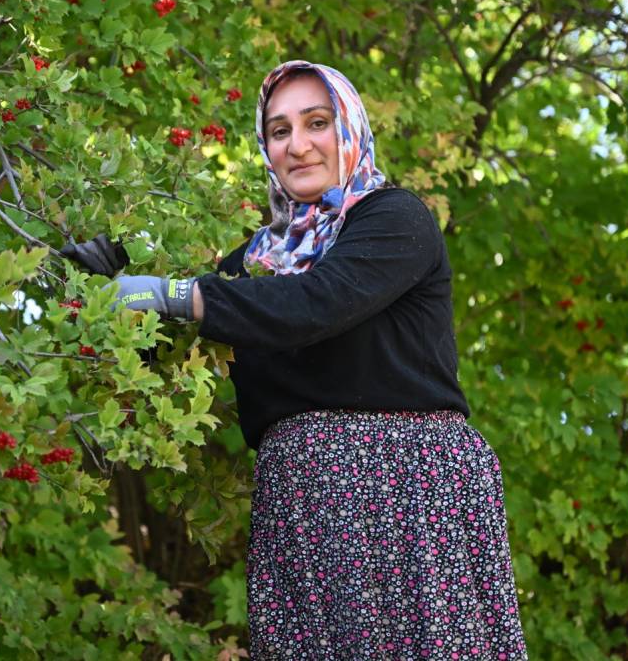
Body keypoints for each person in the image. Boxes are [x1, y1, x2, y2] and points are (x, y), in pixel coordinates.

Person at [62, 60, 528, 660]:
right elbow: (161, 341)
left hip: (408, 491)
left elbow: (310, 305)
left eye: (317, 122)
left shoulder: (393, 218)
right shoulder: (259, 260)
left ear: (350, 128)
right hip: (304, 503)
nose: (298, 145)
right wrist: (100, 285)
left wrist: (169, 292)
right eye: (280, 131)